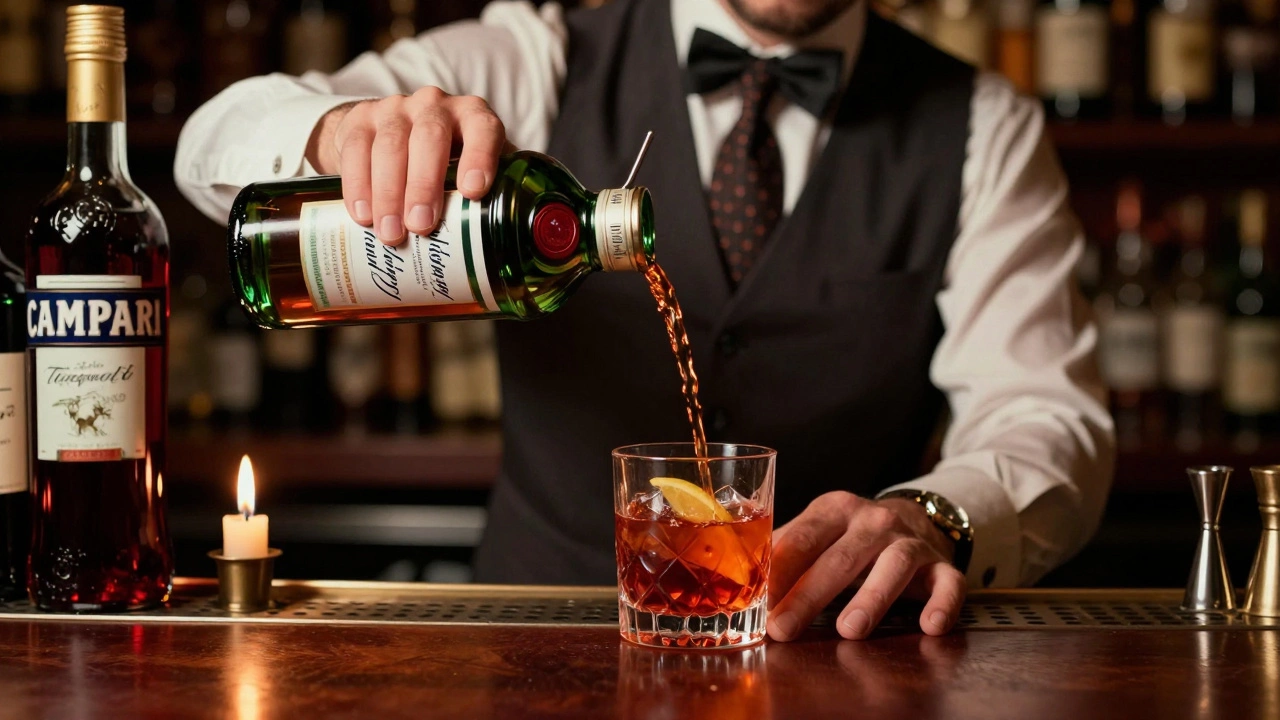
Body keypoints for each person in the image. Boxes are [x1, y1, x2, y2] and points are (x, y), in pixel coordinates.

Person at [175, 0, 1115, 642]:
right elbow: (212, 140)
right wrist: (342, 130)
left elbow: (1048, 420)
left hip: (836, 657)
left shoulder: (984, 126)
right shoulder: (540, 52)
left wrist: (935, 516)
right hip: (533, 648)